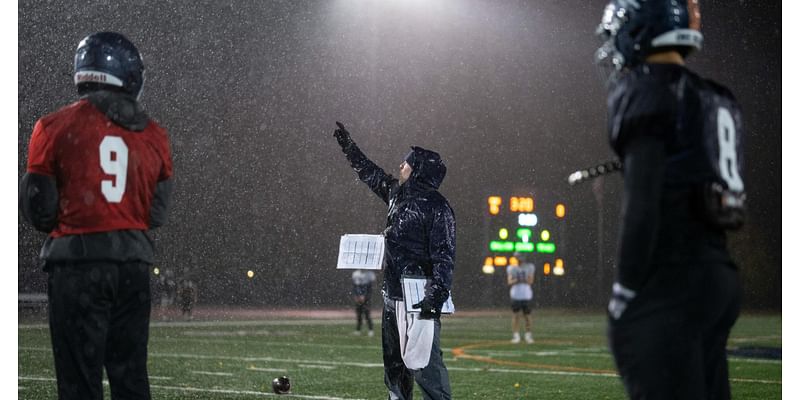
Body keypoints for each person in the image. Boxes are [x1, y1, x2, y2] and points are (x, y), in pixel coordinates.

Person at [596, 1, 745, 399]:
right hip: (717, 274)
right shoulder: (716, 96)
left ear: (641, 26)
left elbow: (643, 205)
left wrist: (626, 289)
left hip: (670, 280)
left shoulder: (646, 87)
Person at [19, 32, 173, 400]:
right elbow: (156, 214)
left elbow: (39, 210)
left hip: (77, 264)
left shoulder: (54, 126)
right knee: (131, 376)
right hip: (133, 266)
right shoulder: (155, 135)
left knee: (78, 381)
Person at [333, 122, 455, 400]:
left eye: (407, 163)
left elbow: (444, 258)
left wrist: (433, 301)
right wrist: (349, 148)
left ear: (419, 170)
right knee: (394, 365)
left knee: (427, 367)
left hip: (420, 298)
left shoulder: (438, 206)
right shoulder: (396, 194)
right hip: (392, 295)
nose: (401, 166)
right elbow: (371, 174)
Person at [507, 254, 535, 344]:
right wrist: (517, 280)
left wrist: (523, 279)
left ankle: (528, 335)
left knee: (527, 316)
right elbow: (509, 281)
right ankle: (516, 335)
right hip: (516, 295)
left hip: (526, 295)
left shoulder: (529, 267)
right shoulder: (512, 268)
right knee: (516, 316)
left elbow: (530, 281)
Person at [351, 269, 376, 336]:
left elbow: (369, 287)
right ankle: (358, 329)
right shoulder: (356, 274)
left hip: (366, 298)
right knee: (359, 314)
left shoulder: (369, 274)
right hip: (358, 297)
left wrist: (365, 296)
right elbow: (355, 287)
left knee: (367, 314)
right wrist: (356, 296)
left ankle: (371, 329)